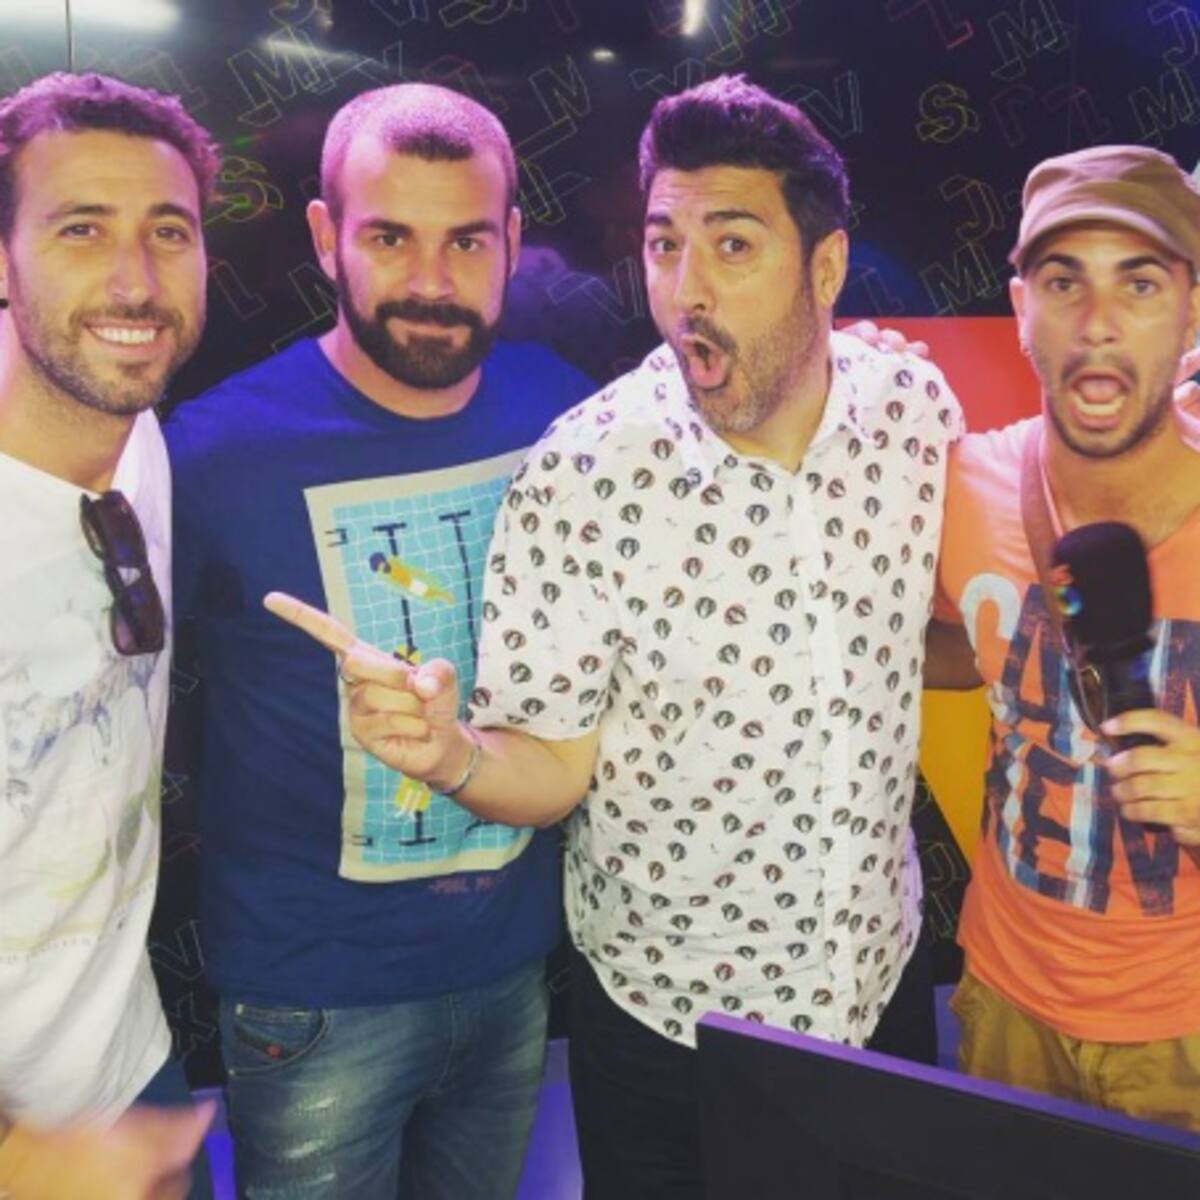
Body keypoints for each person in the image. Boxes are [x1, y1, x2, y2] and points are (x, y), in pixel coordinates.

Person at [268, 75, 966, 1198]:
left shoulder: (911, 413)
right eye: (663, 245)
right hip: (670, 1031)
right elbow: (553, 763)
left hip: (879, 983)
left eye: (732, 246)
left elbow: (930, 632)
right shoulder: (585, 473)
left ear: (826, 266)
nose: (687, 290)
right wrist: (449, 755)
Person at [164, 83, 594, 1199]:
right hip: (311, 994)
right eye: (390, 237)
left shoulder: (567, 418)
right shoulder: (211, 453)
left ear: (513, 242)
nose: (432, 282)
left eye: (467, 241)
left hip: (514, 970)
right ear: (326, 237)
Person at [927, 144, 1200, 1133]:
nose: (1097, 323)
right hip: (1007, 1002)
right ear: (1020, 308)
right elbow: (945, 648)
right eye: (1062, 281)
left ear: (1193, 310)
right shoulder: (964, 486)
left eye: (1140, 283)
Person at [0, 73, 218, 1199]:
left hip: (129, 1071)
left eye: (167, 231)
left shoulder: (132, 432)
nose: (135, 281)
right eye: (80, 229)